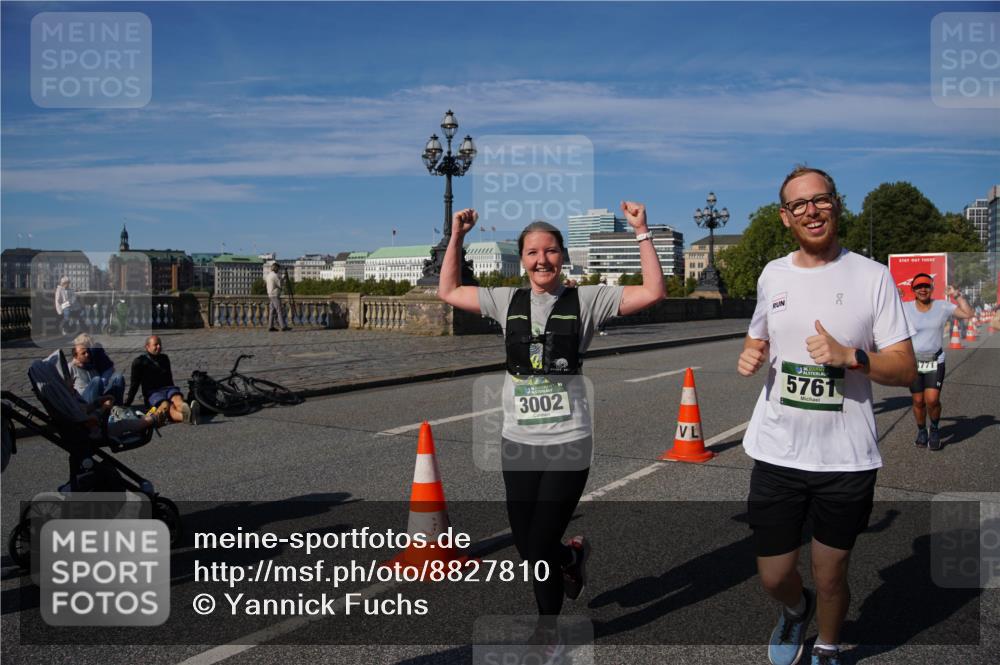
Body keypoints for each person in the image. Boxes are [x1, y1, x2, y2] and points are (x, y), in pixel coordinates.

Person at [439, 202, 665, 662]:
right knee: (527, 544)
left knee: (539, 541)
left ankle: (548, 631)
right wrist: (457, 237)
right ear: (522, 260)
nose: (542, 260)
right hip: (518, 442)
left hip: (568, 442)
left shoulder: (588, 300)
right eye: (532, 253)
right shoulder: (506, 301)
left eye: (550, 251)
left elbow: (653, 292)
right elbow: (447, 290)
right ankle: (568, 560)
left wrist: (641, 232)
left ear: (563, 256)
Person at [737, 166, 916, 665]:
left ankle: (829, 647)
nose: (811, 210)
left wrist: (853, 356)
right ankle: (797, 610)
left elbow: (904, 369)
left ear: (837, 205)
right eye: (799, 205)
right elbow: (759, 332)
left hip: (845, 459)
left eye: (820, 200)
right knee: (774, 575)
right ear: (785, 217)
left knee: (832, 573)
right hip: (777, 451)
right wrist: (751, 353)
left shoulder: (873, 277)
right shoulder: (772, 273)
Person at [901, 274, 974, 450]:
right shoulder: (904, 308)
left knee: (932, 400)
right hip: (914, 362)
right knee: (918, 401)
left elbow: (968, 314)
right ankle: (921, 431)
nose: (923, 289)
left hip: (935, 359)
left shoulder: (942, 306)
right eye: (918, 287)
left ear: (932, 288)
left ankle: (934, 428)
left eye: (926, 286)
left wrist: (957, 296)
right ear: (913, 290)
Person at [125, 335, 199, 425]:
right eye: (155, 345)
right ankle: (188, 417)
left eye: (160, 344)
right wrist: (128, 402)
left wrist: (174, 392)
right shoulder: (139, 362)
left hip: (168, 389)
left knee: (177, 399)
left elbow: (169, 378)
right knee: (167, 406)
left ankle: (187, 410)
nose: (159, 347)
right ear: (147, 347)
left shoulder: (164, 358)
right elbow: (134, 384)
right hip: (153, 393)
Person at [68, 336, 126, 406]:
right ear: (76, 356)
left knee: (118, 377)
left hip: (99, 395)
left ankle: (118, 409)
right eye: (83, 353)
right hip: (84, 399)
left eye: (87, 352)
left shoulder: (91, 365)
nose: (87, 354)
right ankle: (96, 410)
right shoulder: (71, 367)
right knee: (97, 380)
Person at [265, 263, 290, 331]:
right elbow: (280, 284)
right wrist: (284, 277)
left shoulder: (269, 275)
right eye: (278, 269)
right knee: (279, 310)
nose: (278, 270)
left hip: (270, 294)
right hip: (275, 294)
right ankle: (283, 326)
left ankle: (270, 326)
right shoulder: (274, 275)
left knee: (272, 311)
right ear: (276, 268)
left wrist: (281, 278)